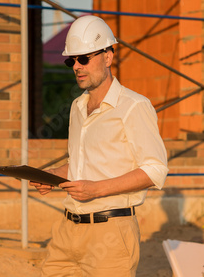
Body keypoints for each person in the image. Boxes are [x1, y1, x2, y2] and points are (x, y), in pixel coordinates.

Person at [30, 15, 168, 277]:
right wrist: (52, 177)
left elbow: (155, 170)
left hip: (111, 232)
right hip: (67, 230)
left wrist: (96, 190)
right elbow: (83, 163)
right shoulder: (77, 107)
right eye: (72, 60)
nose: (76, 67)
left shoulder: (134, 106)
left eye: (84, 58)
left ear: (107, 57)